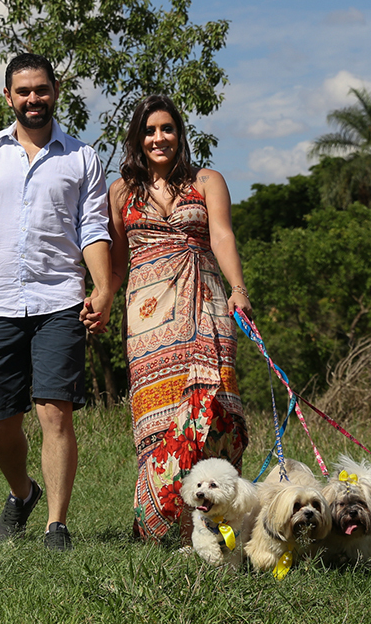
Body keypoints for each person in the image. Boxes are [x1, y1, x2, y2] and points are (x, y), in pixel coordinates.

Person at [0, 53, 112, 551]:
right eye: (23, 91)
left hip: (59, 302)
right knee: (0, 424)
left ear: (56, 92)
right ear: (8, 97)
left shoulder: (82, 158)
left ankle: (57, 525)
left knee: (55, 413)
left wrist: (103, 289)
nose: (34, 99)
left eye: (42, 89)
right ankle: (22, 492)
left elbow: (93, 229)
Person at [84, 94, 250, 541]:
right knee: (159, 418)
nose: (159, 138)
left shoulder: (207, 180)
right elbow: (117, 263)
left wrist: (238, 290)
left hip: (206, 305)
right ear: (138, 138)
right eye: (150, 130)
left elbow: (222, 235)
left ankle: (221, 521)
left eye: (168, 128)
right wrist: (102, 298)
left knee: (214, 409)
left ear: (180, 134)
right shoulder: (120, 191)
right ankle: (161, 526)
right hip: (147, 320)